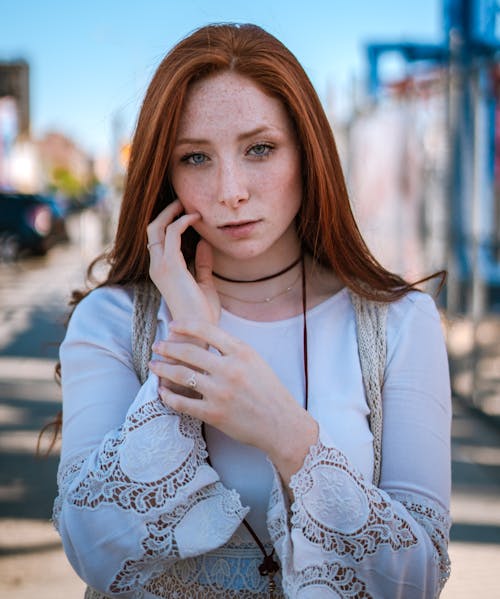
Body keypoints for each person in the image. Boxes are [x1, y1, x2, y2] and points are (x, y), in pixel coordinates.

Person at [53, 23, 452, 599]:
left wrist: (289, 438)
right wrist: (190, 337)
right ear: (165, 174)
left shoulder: (398, 323)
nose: (231, 190)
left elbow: (418, 576)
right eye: (195, 157)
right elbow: (92, 550)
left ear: (307, 152)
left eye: (259, 148)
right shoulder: (112, 321)